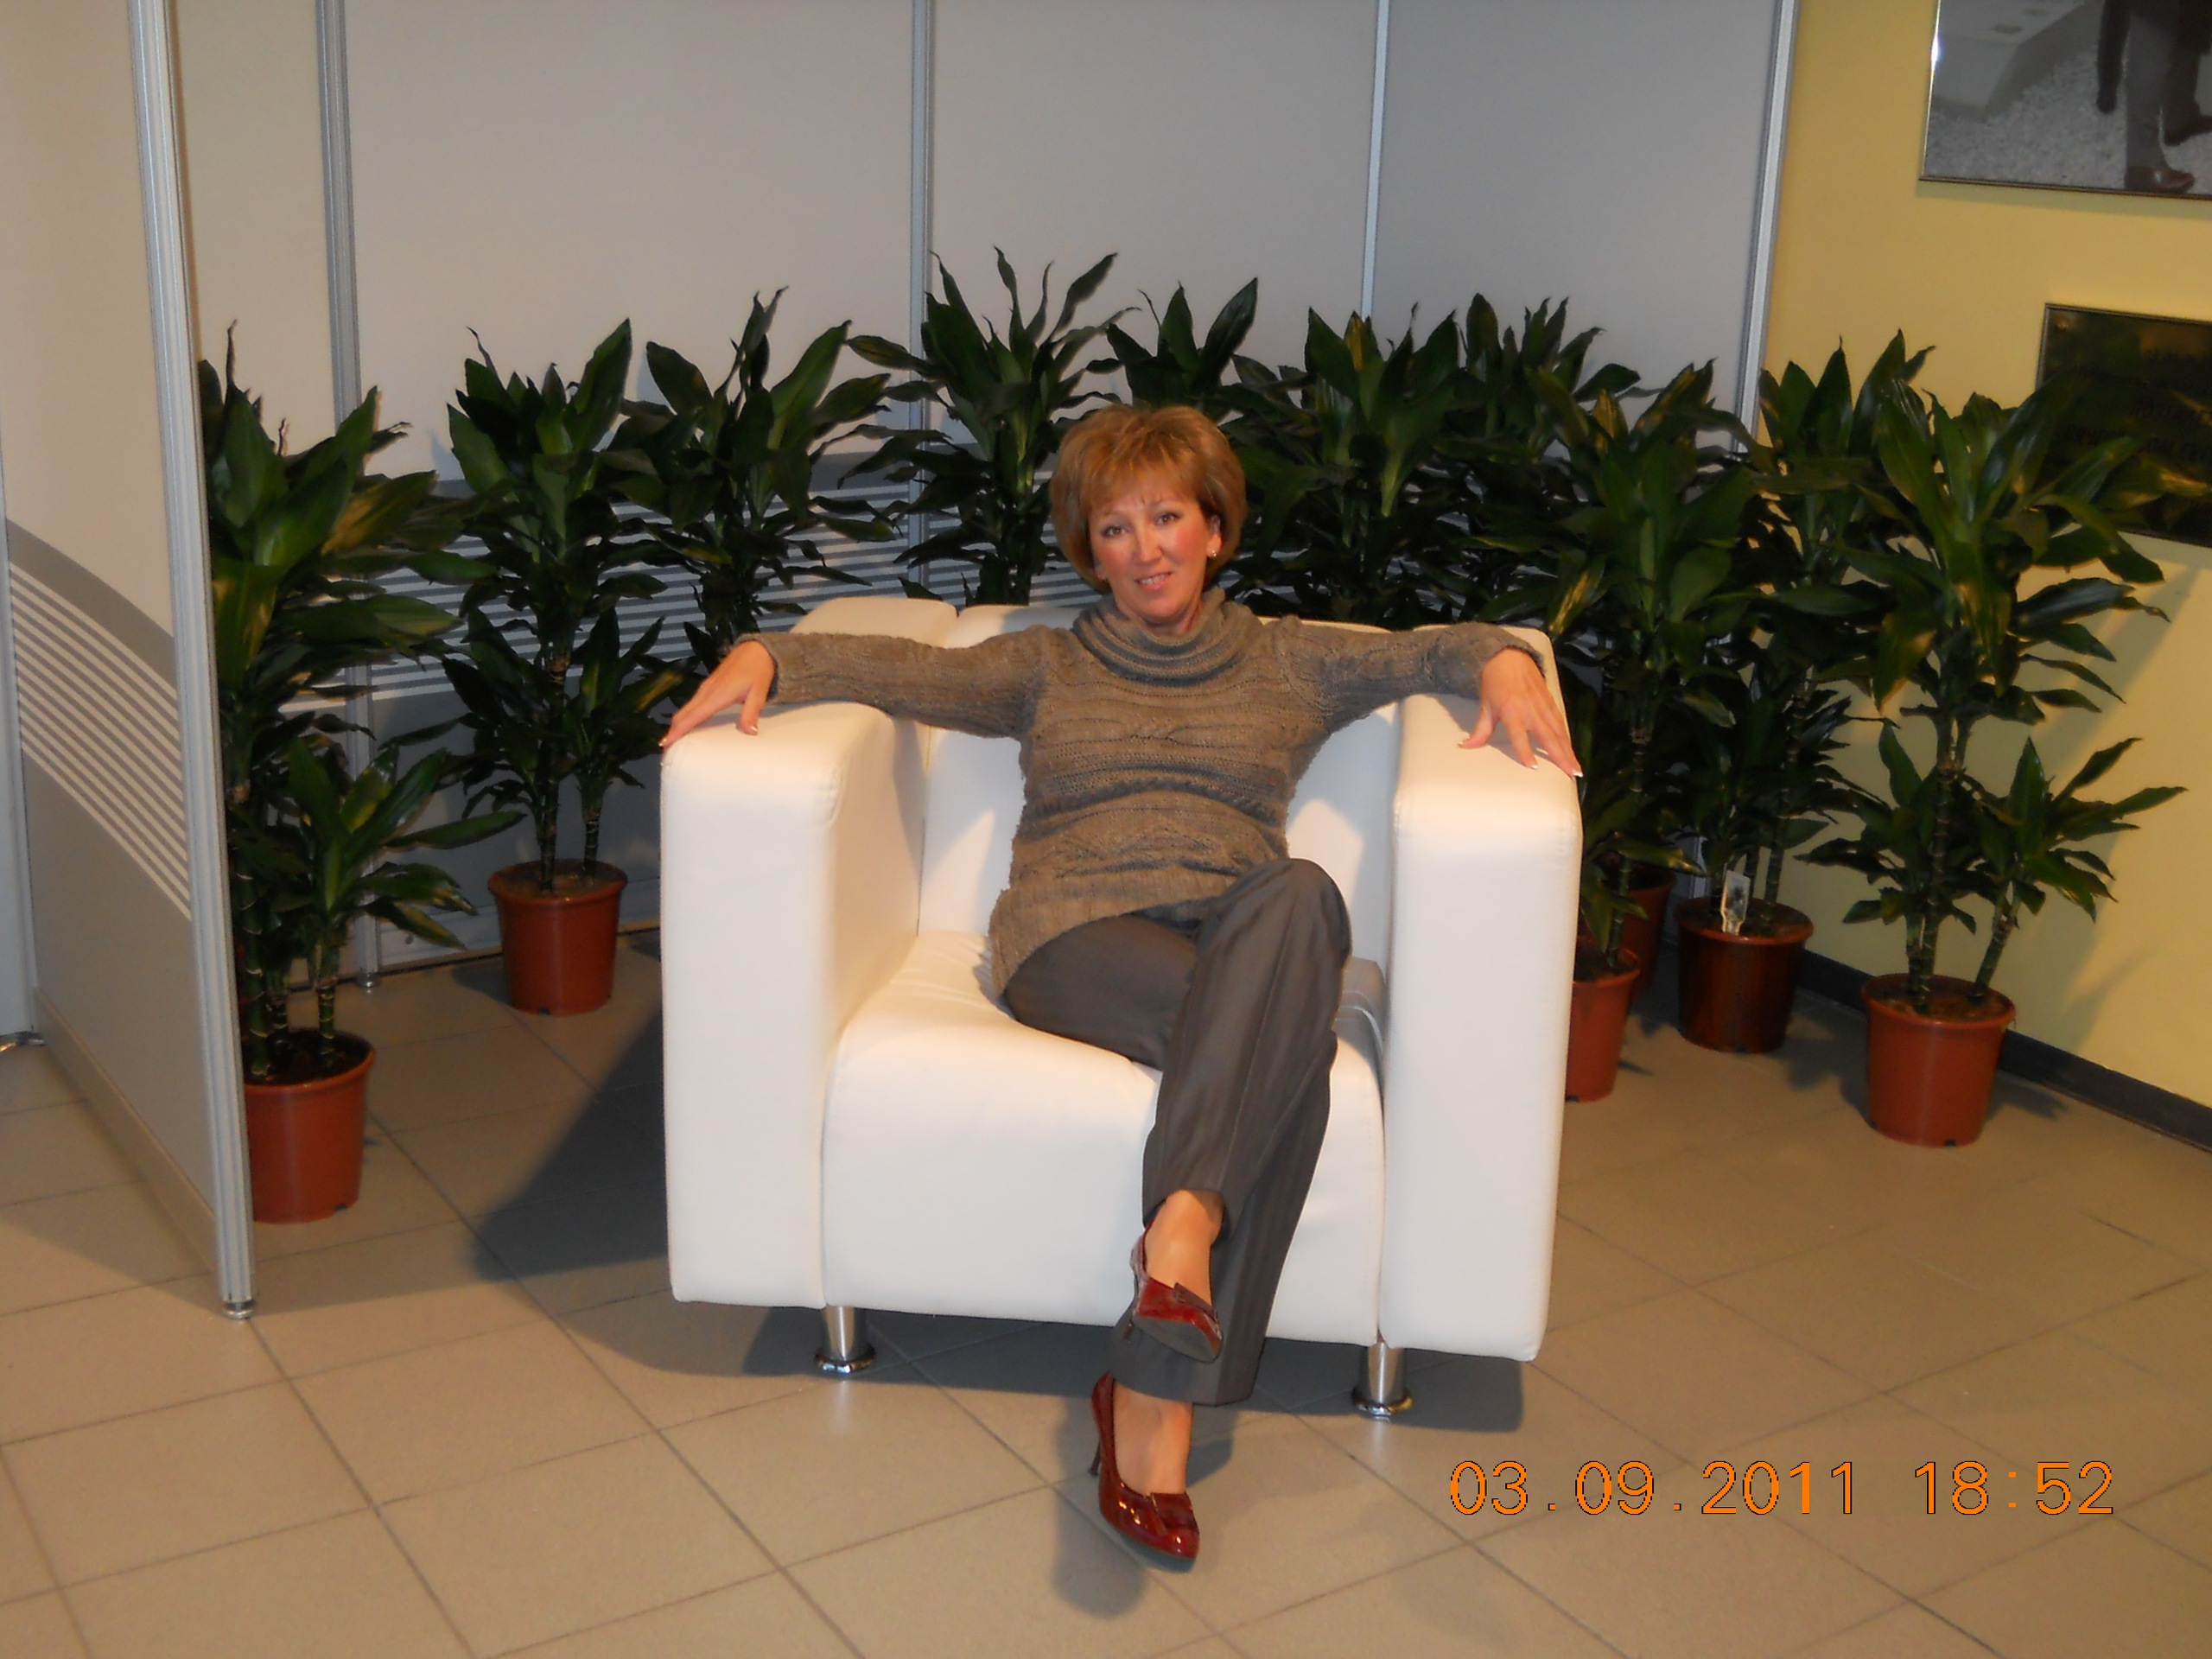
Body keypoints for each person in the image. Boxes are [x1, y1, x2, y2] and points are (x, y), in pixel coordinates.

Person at [662, 404, 1578, 1560]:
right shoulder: (1046, 665)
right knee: (1285, 1056)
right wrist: (768, 656)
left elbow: (1430, 648)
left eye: (1167, 518)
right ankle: (1162, 1392)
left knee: (1302, 896)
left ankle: (1173, 1268)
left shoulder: (1291, 660)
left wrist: (1504, 659)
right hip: (1073, 934)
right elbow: (901, 669)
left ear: (1215, 529)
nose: (1144, 549)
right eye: (1114, 528)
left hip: (1235, 933)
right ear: (1089, 550)